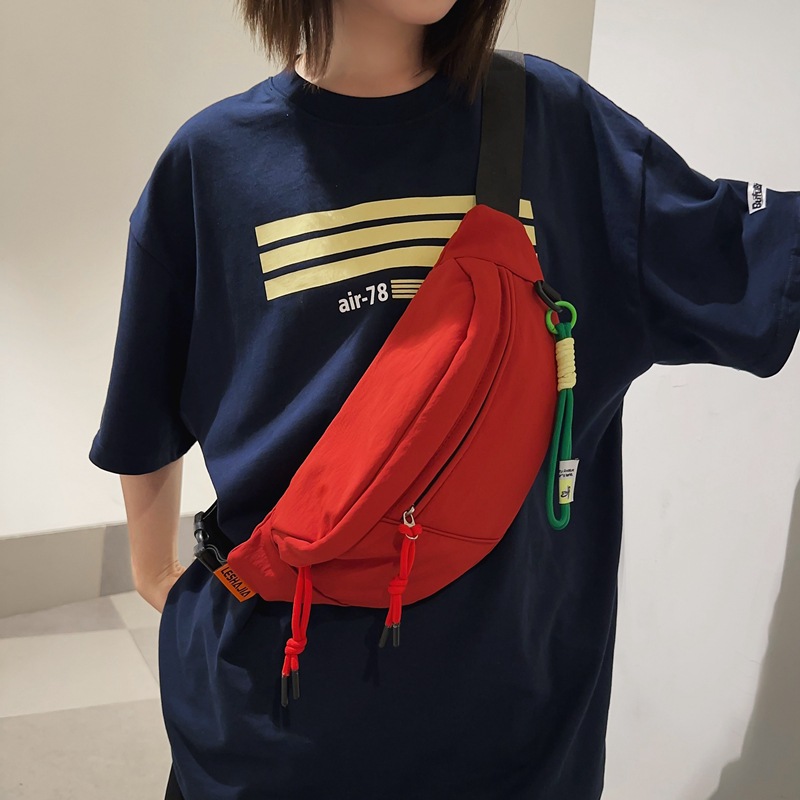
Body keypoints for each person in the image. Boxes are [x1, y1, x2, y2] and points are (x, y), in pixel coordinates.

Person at [88, 1, 800, 798]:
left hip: (511, 733)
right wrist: (155, 572)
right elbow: (146, 405)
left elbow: (747, 256)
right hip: (277, 727)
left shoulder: (555, 127)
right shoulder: (212, 163)